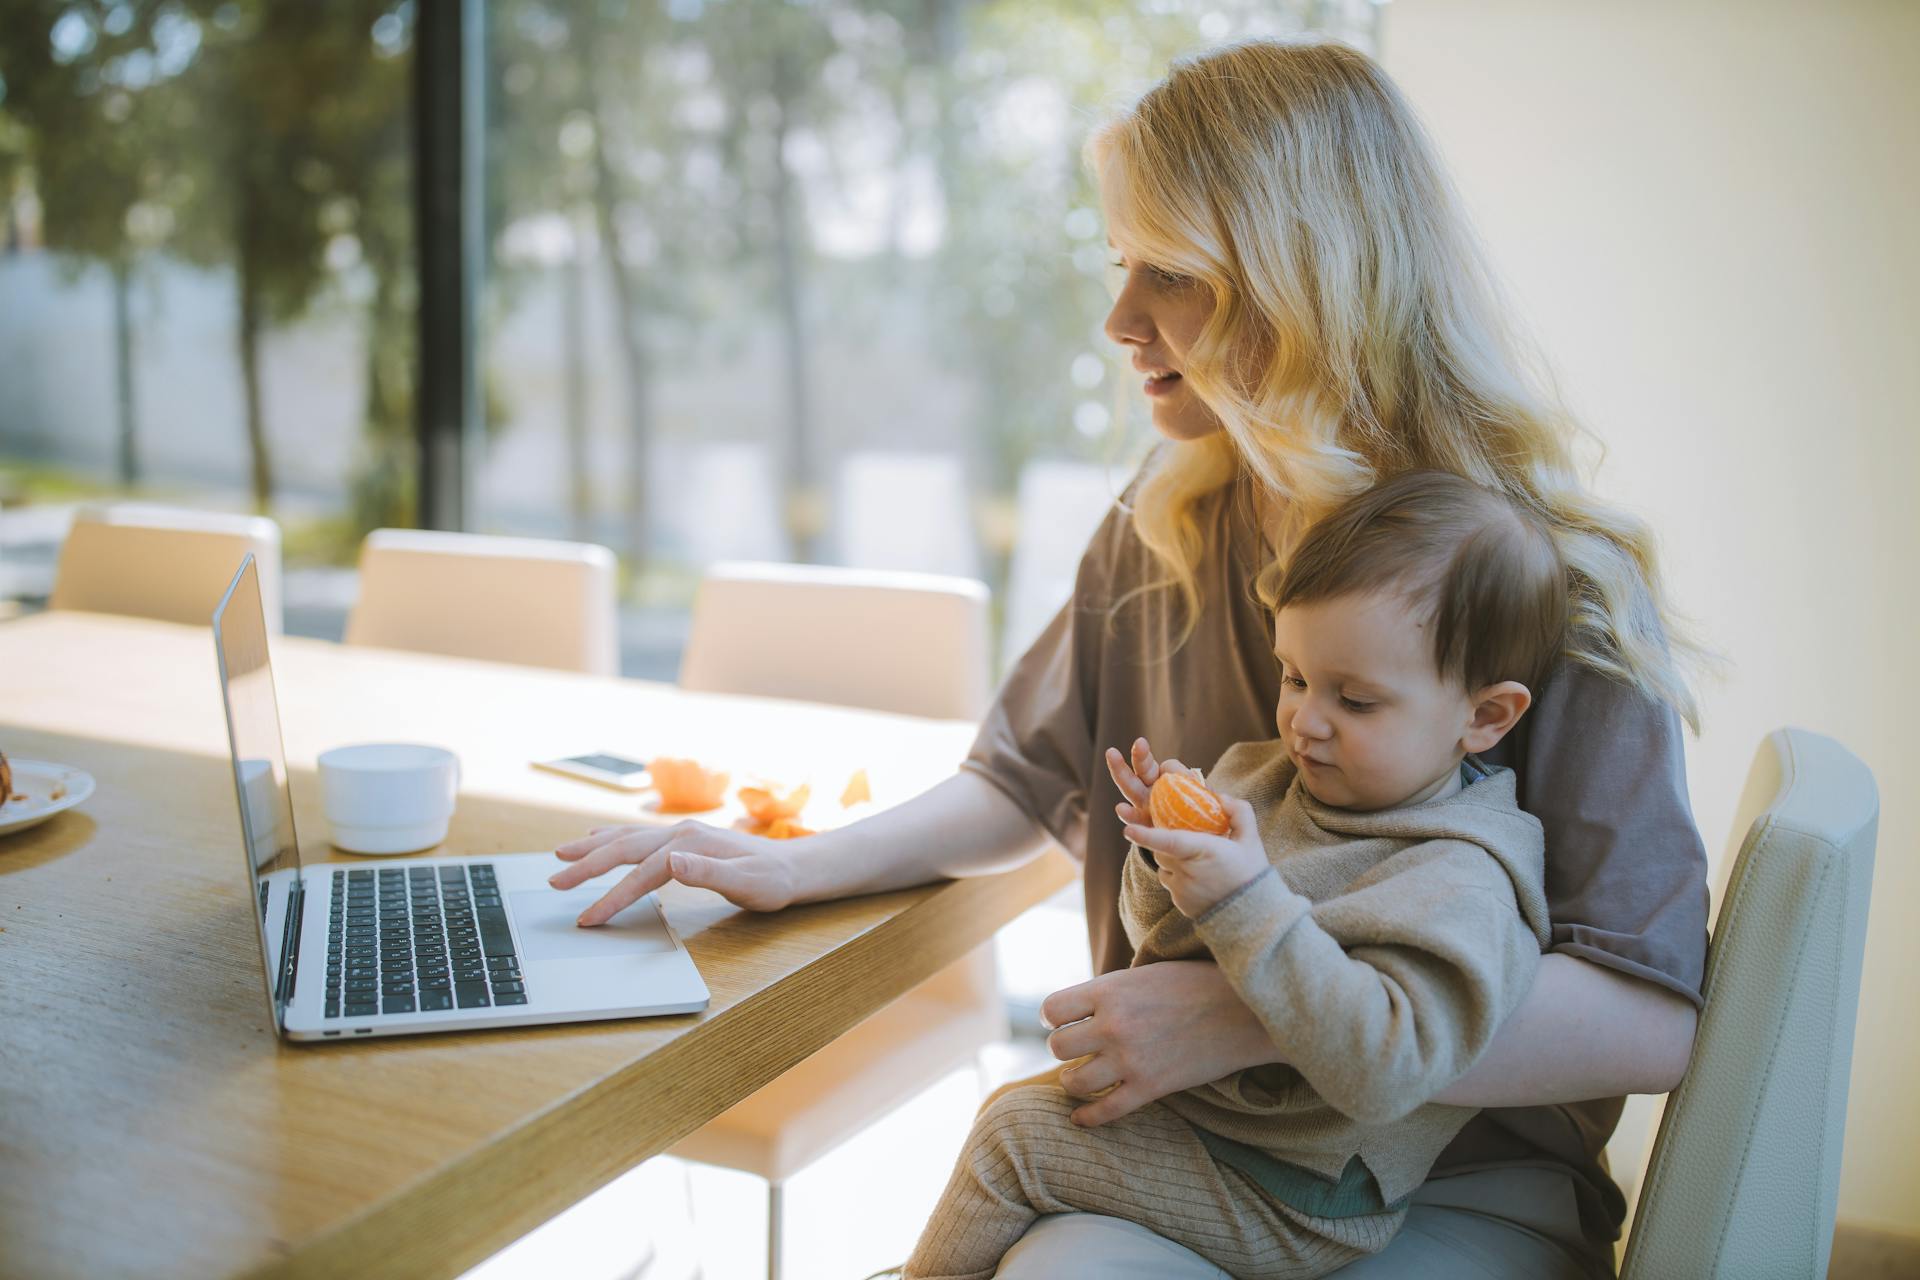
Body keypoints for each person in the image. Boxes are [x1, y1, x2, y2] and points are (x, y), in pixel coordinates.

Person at [552, 37, 1707, 1277]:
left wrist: (1248, 1013)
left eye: (1173, 273)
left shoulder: (1547, 584)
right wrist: (800, 862)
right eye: (1120, 265)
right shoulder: (1169, 517)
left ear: (1303, 280)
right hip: (1200, 1138)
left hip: (1452, 1180)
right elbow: (1022, 779)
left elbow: (1647, 1017)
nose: (1118, 319)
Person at [902, 471, 1567, 1280]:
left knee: (1015, 1141)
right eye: (1294, 677)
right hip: (1211, 1128)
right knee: (1021, 1114)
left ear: (1486, 716)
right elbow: (1164, 943)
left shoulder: (1463, 874)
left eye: (1355, 701)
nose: (1304, 722)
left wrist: (1247, 900)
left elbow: (1389, 1068)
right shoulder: (1267, 778)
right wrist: (1166, 858)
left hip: (1298, 1194)